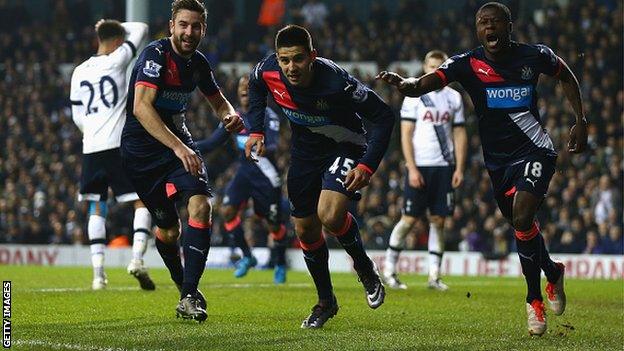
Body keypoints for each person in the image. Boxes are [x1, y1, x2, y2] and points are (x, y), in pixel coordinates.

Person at [377, 1, 587, 336]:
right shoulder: (467, 63)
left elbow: (565, 75)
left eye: (495, 22)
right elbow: (429, 81)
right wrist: (407, 85)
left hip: (536, 151)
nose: (488, 28)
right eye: (482, 23)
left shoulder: (535, 56)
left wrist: (580, 119)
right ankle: (552, 270)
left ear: (509, 26)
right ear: (477, 29)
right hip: (497, 163)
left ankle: (534, 300)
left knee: (521, 216)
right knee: (523, 225)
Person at [245, 24, 395, 329]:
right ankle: (326, 302)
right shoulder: (266, 71)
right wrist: (256, 129)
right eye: (285, 60)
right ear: (277, 57)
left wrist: (367, 166)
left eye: (298, 59)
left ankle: (364, 267)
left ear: (312, 55)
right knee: (305, 231)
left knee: (329, 213)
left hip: (346, 145)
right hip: (304, 154)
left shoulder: (336, 81)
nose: (291, 67)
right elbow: (255, 86)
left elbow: (384, 116)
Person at [120, 0, 243, 323]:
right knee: (169, 230)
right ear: (172, 25)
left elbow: (219, 102)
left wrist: (229, 115)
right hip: (141, 153)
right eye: (184, 25)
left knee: (201, 205)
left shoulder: (199, 63)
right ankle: (181, 283)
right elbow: (141, 108)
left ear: (204, 28)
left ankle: (189, 294)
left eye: (196, 26)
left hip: (177, 145)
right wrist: (178, 147)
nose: (190, 32)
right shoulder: (155, 56)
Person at [69, 19, 153, 291]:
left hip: (91, 147)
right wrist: (114, 26)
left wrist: (93, 129)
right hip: (117, 145)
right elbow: (140, 27)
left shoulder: (79, 71)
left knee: (96, 207)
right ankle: (138, 259)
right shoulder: (118, 59)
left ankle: (98, 276)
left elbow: (77, 117)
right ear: (118, 39)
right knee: (140, 202)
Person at [382, 50, 468, 291]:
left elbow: (460, 133)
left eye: (439, 67)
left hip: (444, 167)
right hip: (419, 166)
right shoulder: (414, 97)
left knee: (438, 220)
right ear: (424, 67)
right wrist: (411, 168)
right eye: (431, 66)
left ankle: (434, 276)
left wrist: (459, 167)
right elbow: (405, 135)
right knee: (409, 219)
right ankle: (389, 270)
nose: (434, 71)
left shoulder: (454, 98)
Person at [195, 75, 289, 284]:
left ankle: (281, 263)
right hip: (244, 173)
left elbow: (272, 145)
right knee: (227, 211)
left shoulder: (267, 116)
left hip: (266, 176)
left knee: (273, 225)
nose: (244, 90)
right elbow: (212, 143)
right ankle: (247, 256)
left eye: (249, 87)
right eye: (241, 87)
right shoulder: (234, 117)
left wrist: (257, 141)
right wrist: (184, 146)